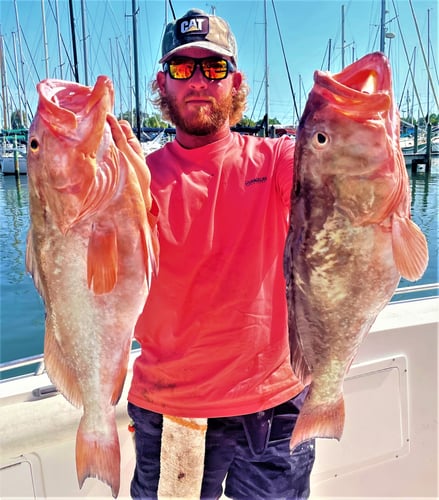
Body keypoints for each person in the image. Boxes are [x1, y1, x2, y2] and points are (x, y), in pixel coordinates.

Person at [115, 8, 315, 499]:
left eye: (214, 68)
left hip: (275, 405)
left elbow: (345, 194)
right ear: (163, 82)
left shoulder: (276, 160)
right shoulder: (134, 178)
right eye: (183, 69)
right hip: (174, 409)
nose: (199, 81)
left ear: (235, 80)